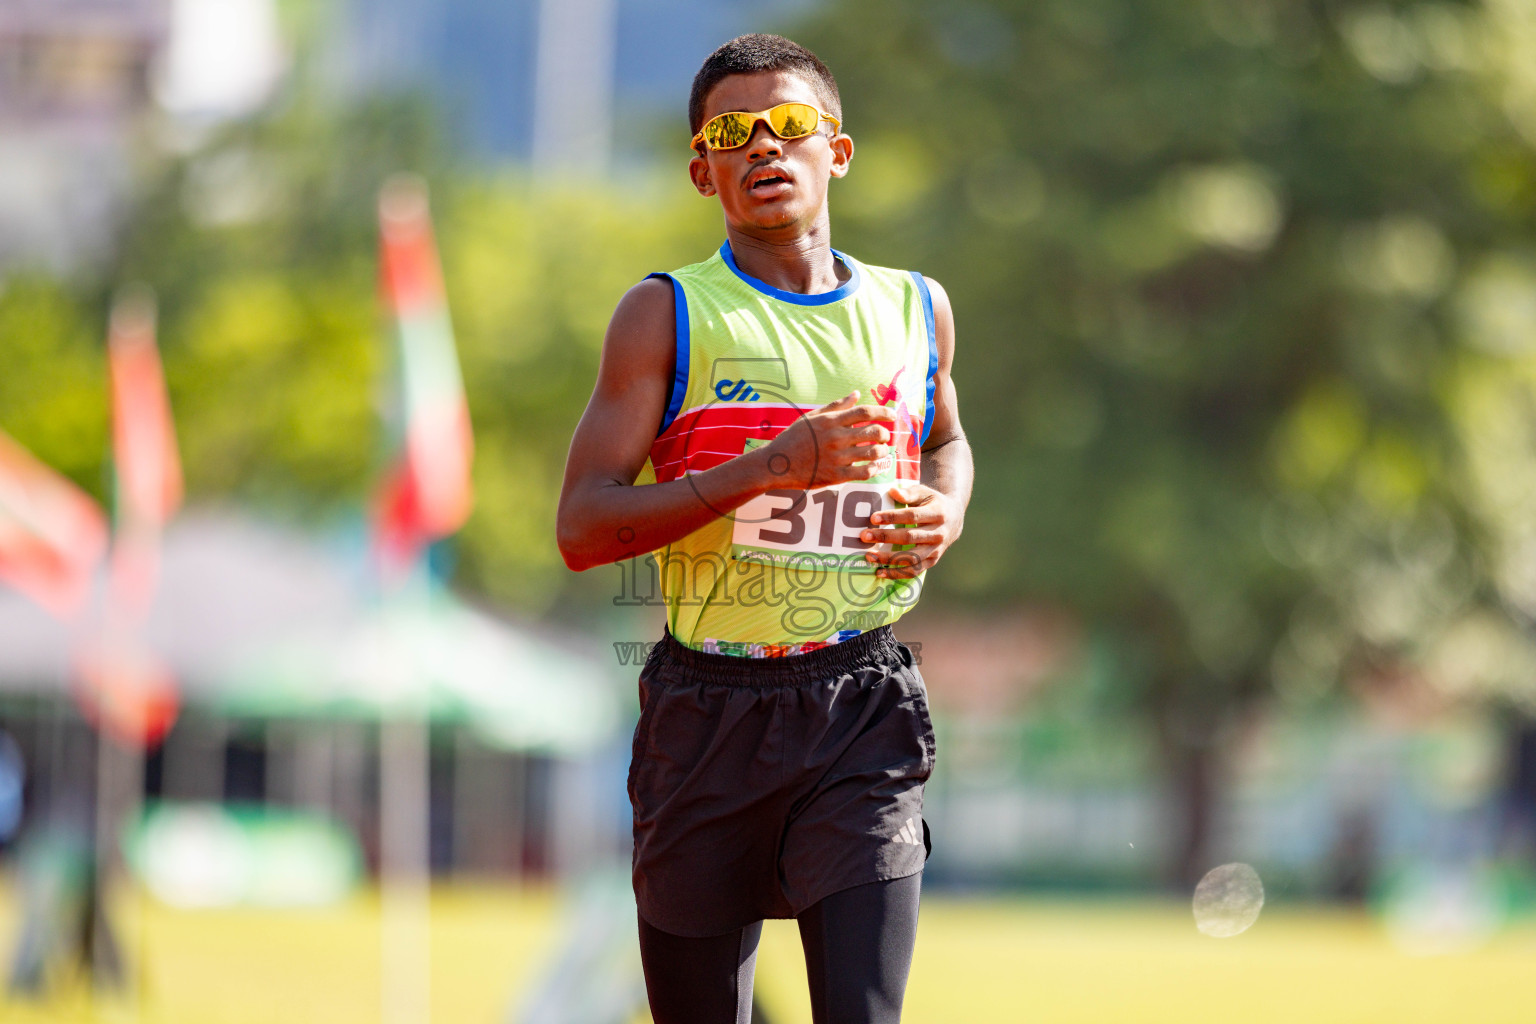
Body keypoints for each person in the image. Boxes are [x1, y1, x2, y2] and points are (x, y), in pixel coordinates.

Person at [557, 33, 972, 1024]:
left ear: (838, 149)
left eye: (789, 125)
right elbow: (583, 525)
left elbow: (949, 441)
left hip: (858, 698)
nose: (763, 148)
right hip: (707, 710)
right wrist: (770, 468)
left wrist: (943, 511)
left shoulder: (917, 307)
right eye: (732, 132)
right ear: (703, 169)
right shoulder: (664, 316)